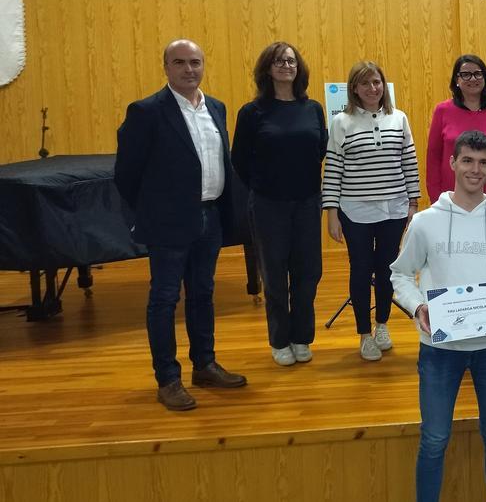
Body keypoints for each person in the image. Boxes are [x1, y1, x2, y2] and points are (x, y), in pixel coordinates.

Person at [392, 130, 486, 502]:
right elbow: (400, 274)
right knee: (435, 438)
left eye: (484, 162)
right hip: (440, 348)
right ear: (453, 163)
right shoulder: (425, 221)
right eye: (467, 160)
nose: (475, 169)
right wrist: (418, 306)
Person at [114, 39, 247, 411]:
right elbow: (126, 174)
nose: (189, 69)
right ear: (166, 67)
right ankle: (168, 379)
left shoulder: (216, 108)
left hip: (210, 217)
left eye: (195, 62)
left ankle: (204, 364)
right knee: (164, 298)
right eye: (180, 62)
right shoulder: (146, 112)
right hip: (168, 223)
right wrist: (154, 211)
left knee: (203, 294)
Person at [231, 41, 327, 366]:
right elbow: (239, 160)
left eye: (291, 60)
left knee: (308, 271)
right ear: (266, 69)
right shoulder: (252, 112)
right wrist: (266, 186)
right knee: (274, 274)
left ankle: (302, 336)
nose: (286, 65)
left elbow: (321, 150)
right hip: (269, 204)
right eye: (278, 61)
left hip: (307, 202)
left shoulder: (312, 108)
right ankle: (279, 339)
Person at [321, 61, 420, 361]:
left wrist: (413, 203)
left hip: (394, 209)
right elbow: (334, 168)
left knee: (388, 270)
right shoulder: (341, 121)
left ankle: (382, 325)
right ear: (354, 89)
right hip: (355, 211)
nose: (372, 88)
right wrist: (332, 212)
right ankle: (364, 333)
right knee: (361, 270)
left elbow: (409, 162)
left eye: (376, 82)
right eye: (365, 83)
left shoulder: (399, 118)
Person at [426, 54, 486, 203]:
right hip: (451, 196)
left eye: (477, 74)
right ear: (457, 80)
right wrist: (435, 199)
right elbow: (433, 158)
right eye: (465, 75)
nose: (473, 79)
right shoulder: (442, 110)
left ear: (485, 78)